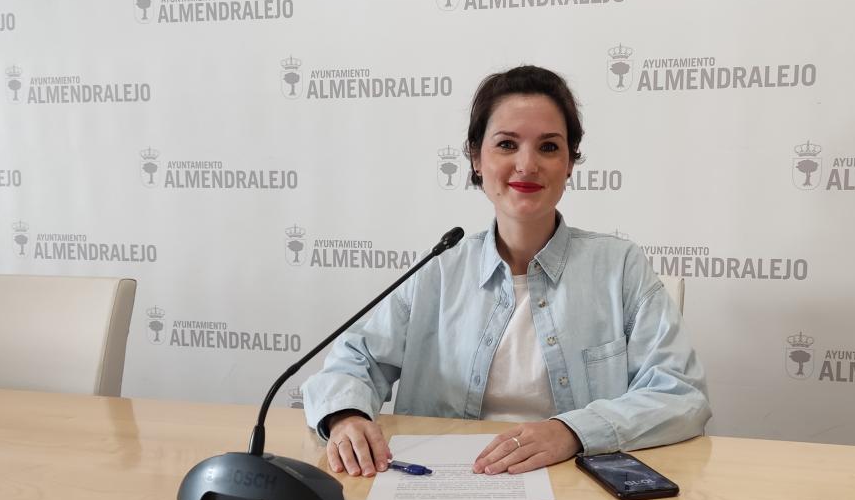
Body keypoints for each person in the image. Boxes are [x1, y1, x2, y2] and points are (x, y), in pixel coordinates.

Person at [302, 65, 710, 477]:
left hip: (575, 488)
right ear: (477, 158)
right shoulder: (438, 270)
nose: (527, 164)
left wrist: (570, 431)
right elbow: (354, 360)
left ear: (570, 163)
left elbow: (681, 395)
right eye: (507, 144)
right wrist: (346, 416)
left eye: (549, 147)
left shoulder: (620, 266)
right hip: (444, 490)